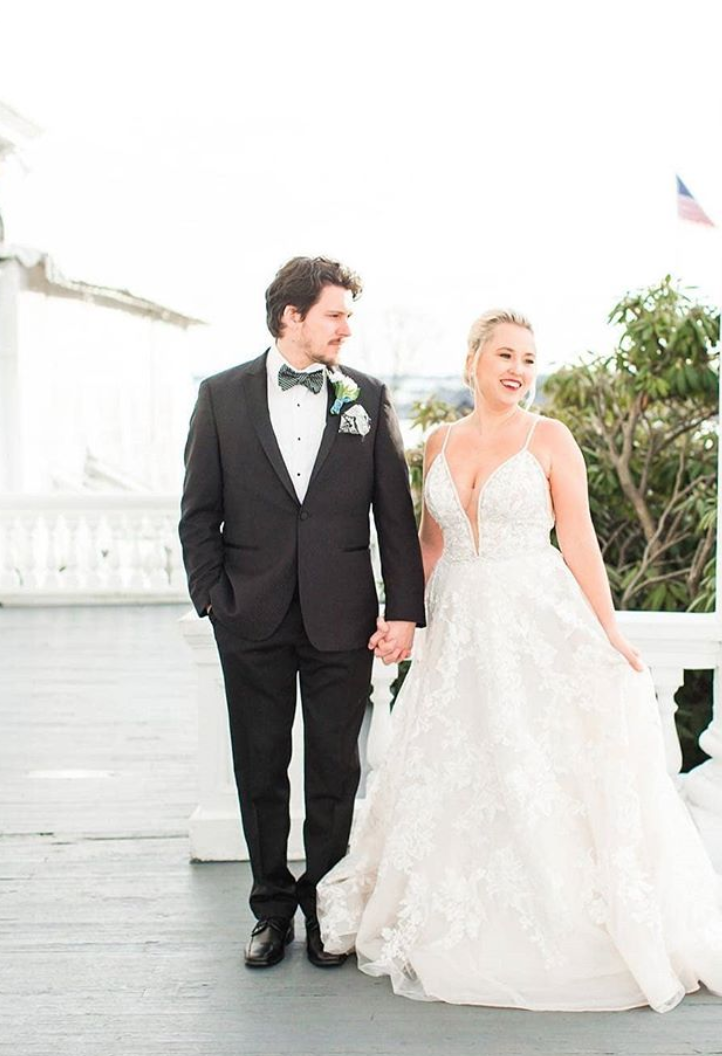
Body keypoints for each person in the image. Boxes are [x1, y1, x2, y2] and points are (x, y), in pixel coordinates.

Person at [317, 308, 722, 1012]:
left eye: (529, 359)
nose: (518, 370)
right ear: (474, 358)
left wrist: (611, 633)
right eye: (505, 354)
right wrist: (402, 614)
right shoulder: (437, 441)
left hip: (533, 617)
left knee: (534, 764)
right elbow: (429, 546)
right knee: (460, 763)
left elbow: (580, 541)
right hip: (460, 629)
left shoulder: (550, 437)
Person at [179, 256, 425, 970]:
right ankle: (268, 909)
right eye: (335, 314)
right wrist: (211, 597)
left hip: (342, 616)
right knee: (259, 766)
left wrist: (403, 610)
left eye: (347, 315)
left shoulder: (367, 398)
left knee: (333, 768)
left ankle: (325, 905)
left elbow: (395, 515)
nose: (347, 327)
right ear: (292, 317)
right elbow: (199, 512)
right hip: (247, 614)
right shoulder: (220, 397)